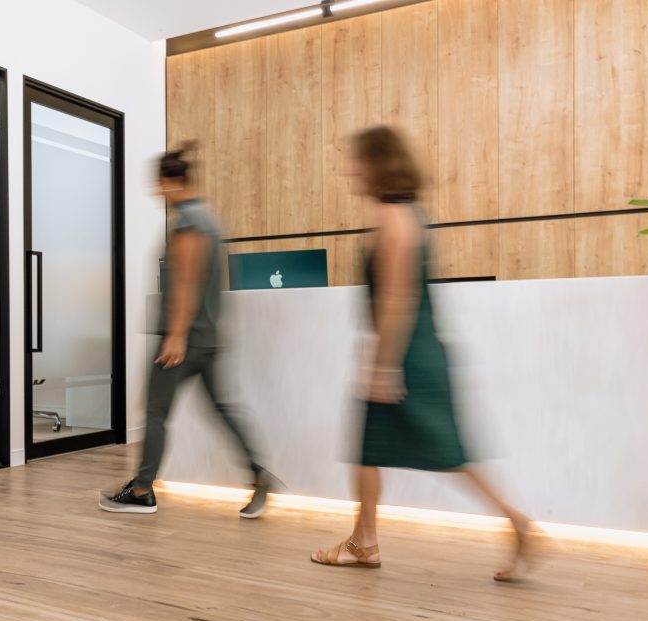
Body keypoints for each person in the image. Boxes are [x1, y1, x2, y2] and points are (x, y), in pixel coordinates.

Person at [310, 126, 532, 581]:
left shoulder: (395, 220)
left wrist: (384, 367)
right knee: (382, 450)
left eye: (358, 161)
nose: (351, 170)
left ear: (378, 164)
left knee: (438, 454)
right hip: (410, 352)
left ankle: (516, 524)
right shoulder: (405, 215)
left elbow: (397, 300)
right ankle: (363, 542)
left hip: (405, 357)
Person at [100, 145, 274, 518]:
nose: (156, 191)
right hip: (206, 338)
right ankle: (258, 474)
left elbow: (186, 281)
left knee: (156, 412)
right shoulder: (207, 219)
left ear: (172, 181)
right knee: (221, 409)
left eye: (159, 183)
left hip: (183, 340)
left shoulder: (188, 222)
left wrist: (176, 334)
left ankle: (142, 490)